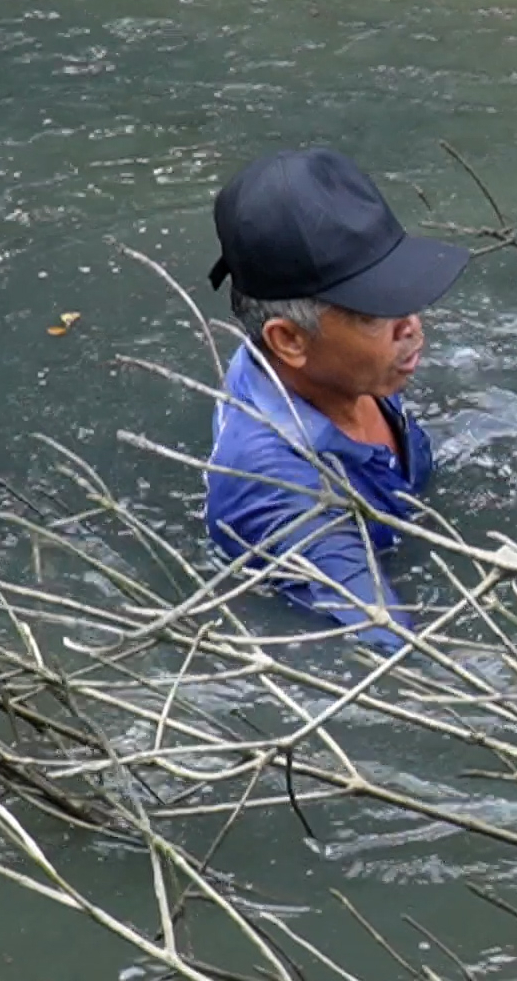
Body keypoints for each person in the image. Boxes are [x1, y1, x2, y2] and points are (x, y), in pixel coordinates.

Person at [201, 146, 471, 651]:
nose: (411, 323)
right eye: (375, 311)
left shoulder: (339, 373)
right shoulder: (279, 495)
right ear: (289, 341)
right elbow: (392, 648)